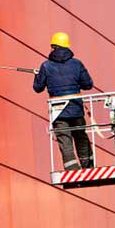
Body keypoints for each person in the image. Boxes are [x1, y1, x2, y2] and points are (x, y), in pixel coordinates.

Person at [33, 32, 94, 171]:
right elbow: (88, 85)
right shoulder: (77, 64)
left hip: (58, 110)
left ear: (53, 46)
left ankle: (71, 168)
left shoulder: (46, 66)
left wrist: (38, 76)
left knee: (64, 138)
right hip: (76, 108)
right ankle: (88, 165)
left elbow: (38, 88)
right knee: (80, 135)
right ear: (67, 46)